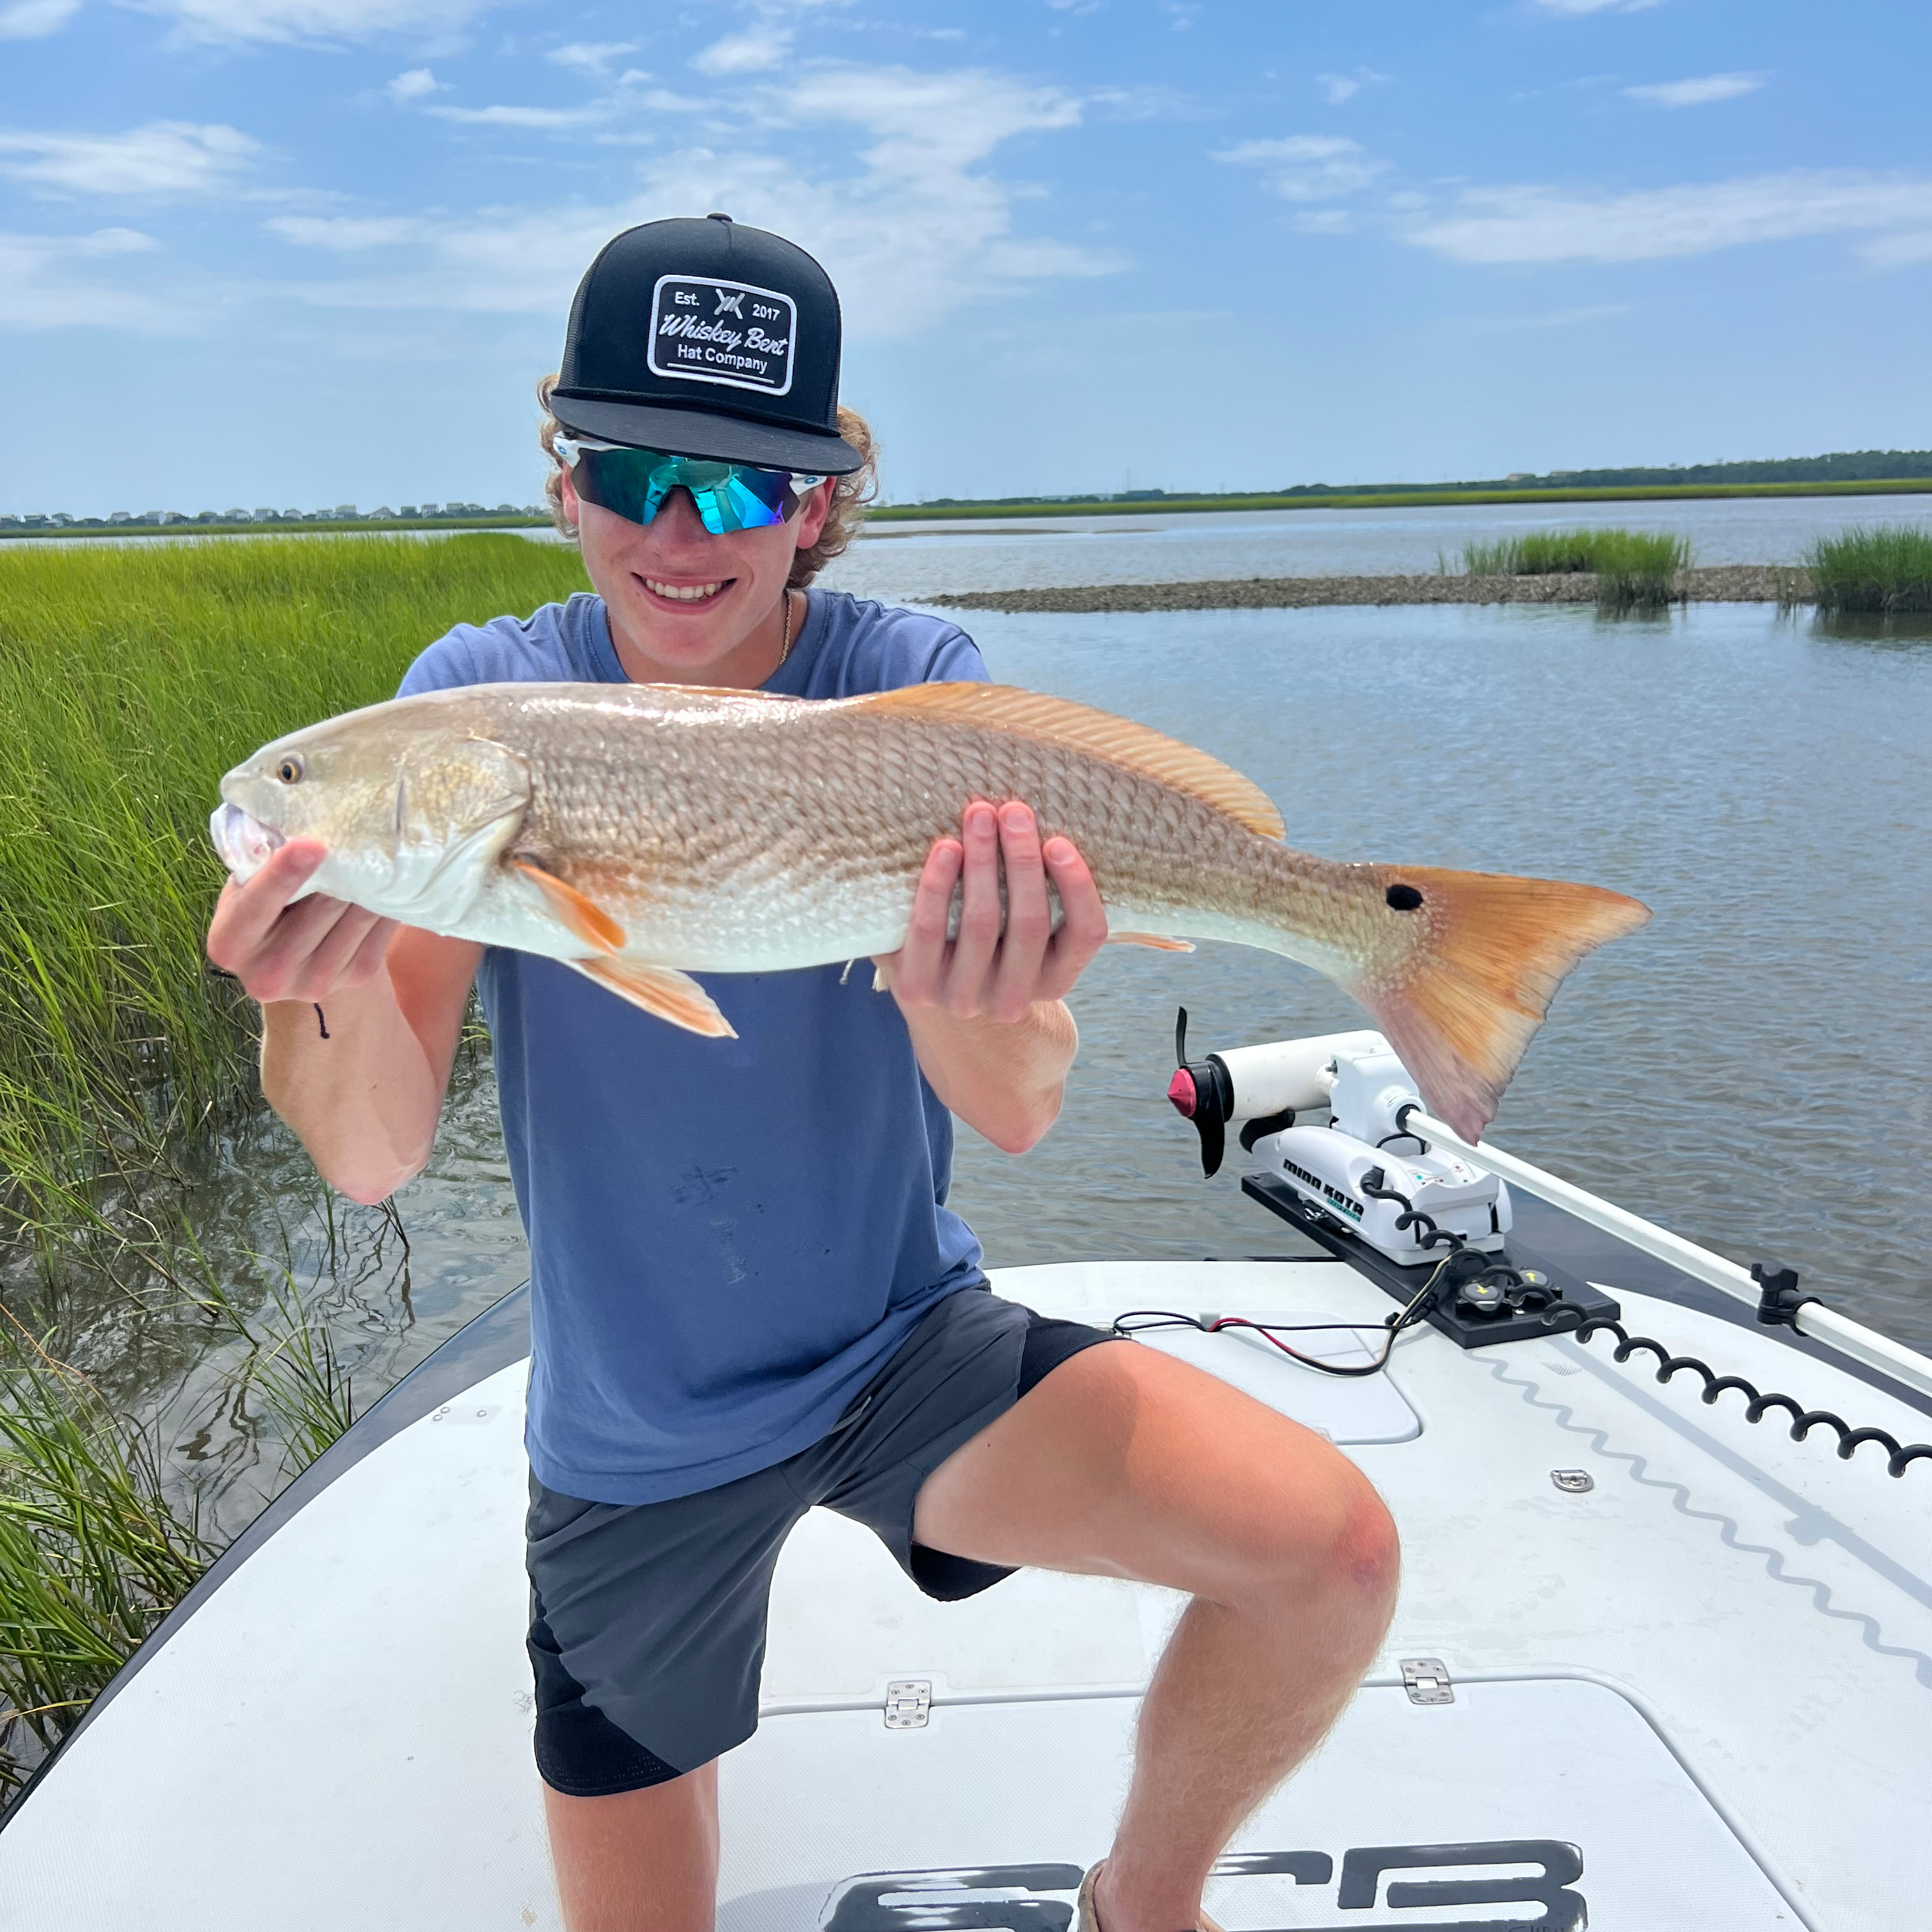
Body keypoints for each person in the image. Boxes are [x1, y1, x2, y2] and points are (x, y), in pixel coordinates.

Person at [205, 215, 1399, 1932]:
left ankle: (1145, 1901)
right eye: (632, 472)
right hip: (635, 1427)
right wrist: (298, 997)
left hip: (906, 1346)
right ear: (562, 477)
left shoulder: (918, 691)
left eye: (747, 489)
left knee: (1334, 1554)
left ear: (822, 505)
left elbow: (1016, 1106)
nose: (683, 536)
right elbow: (377, 1155)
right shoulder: (473, 706)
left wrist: (978, 982)